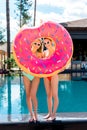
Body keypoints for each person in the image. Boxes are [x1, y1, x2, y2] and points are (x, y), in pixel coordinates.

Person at [22, 39, 42, 122]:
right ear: (32, 43)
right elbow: (22, 61)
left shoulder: (40, 54)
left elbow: (42, 65)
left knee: (33, 94)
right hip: (26, 74)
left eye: (39, 44)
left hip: (35, 75)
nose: (37, 45)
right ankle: (31, 115)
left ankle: (36, 115)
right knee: (28, 95)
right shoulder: (26, 52)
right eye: (36, 43)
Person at [43, 38, 59, 121]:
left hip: (53, 75)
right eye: (45, 43)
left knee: (54, 95)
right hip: (46, 75)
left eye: (48, 42)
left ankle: (54, 114)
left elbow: (61, 62)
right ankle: (49, 113)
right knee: (48, 95)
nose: (46, 44)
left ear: (51, 42)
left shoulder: (55, 51)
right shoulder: (44, 53)